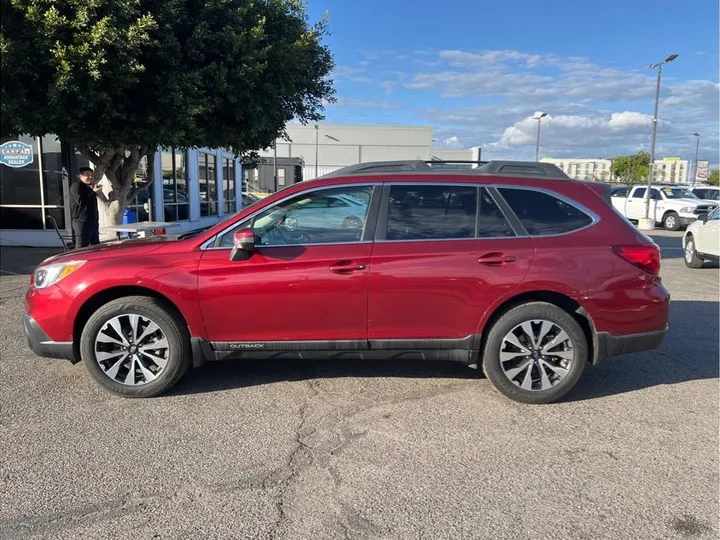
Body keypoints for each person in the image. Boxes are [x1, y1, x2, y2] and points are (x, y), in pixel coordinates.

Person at [69, 167, 106, 248]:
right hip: (81, 222)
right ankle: (79, 261)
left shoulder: (89, 187)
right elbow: (82, 202)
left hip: (93, 221)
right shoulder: (76, 186)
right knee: (82, 247)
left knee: (95, 246)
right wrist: (93, 192)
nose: (90, 177)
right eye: (87, 175)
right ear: (80, 176)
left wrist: (94, 191)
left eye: (91, 175)